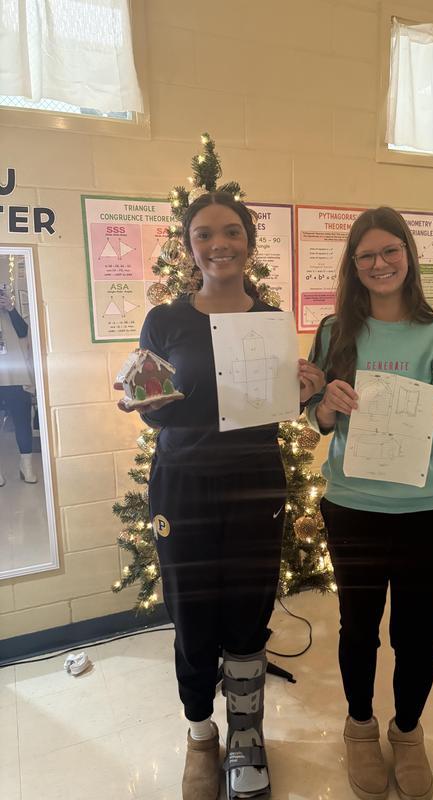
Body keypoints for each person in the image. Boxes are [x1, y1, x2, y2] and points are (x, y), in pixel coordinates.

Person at [115, 191, 323, 800]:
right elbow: (151, 404)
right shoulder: (166, 320)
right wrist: (140, 403)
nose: (219, 244)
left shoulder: (270, 318)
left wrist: (304, 389)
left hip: (255, 482)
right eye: (204, 234)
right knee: (193, 608)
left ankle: (247, 735)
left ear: (250, 245)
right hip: (181, 484)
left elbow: (280, 409)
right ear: (190, 248)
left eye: (232, 232)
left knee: (248, 608)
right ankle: (201, 734)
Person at [305, 207, 433, 800]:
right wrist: (327, 407)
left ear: (409, 255)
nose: (380, 264)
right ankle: (360, 727)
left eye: (390, 251)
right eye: (367, 256)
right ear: (353, 267)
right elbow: (317, 425)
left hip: (424, 510)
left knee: (419, 633)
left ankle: (407, 731)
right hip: (351, 506)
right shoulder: (337, 331)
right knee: (358, 629)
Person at [0, 284, 37, 487]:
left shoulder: (10, 313)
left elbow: (24, 332)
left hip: (16, 377)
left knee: (23, 421)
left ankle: (26, 466)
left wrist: (11, 309)